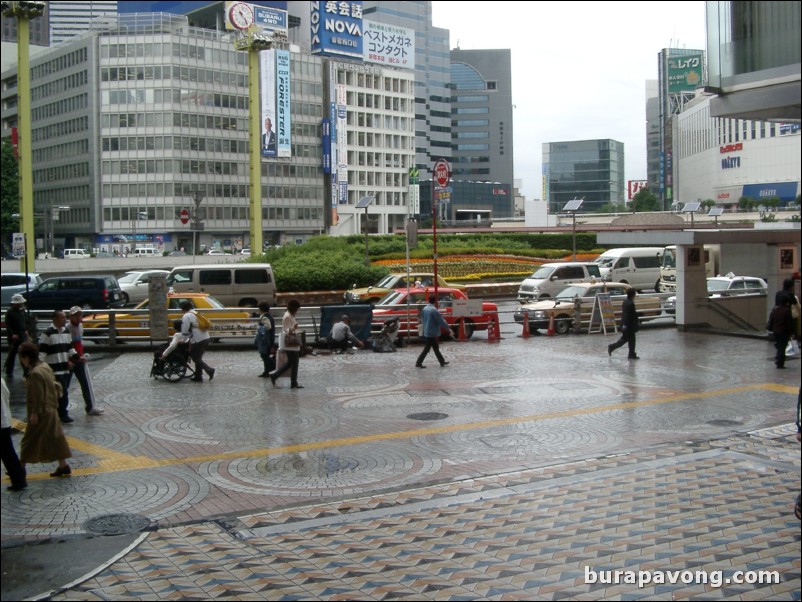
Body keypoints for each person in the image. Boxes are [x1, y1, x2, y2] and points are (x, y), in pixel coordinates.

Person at [17, 342, 73, 478]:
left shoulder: (35, 373)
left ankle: (20, 468)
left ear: (26, 358)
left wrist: (34, 413)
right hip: (51, 407)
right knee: (56, 438)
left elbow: (36, 395)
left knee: (28, 440)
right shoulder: (45, 366)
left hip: (41, 412)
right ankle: (63, 465)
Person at [38, 309, 79, 423]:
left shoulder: (66, 331)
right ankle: (63, 414)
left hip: (64, 368)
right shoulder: (48, 333)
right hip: (54, 370)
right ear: (55, 319)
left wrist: (75, 356)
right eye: (62, 317)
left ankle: (57, 413)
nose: (65, 319)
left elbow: (69, 347)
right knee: (63, 392)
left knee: (61, 392)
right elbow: (42, 352)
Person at [66, 307, 104, 416]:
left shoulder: (81, 326)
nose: (78, 318)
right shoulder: (67, 328)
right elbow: (67, 346)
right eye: (75, 316)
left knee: (85, 383)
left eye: (80, 315)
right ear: (71, 317)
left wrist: (82, 356)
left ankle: (90, 407)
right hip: (71, 360)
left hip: (80, 359)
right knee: (65, 385)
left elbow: (79, 344)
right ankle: (61, 410)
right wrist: (70, 359)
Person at [1, 376, 27, 491]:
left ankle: (19, 479)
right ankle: (19, 478)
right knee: (8, 452)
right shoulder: (1, 380)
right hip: (5, 420)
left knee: (7, 453)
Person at [270, 299, 303, 388]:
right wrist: (294, 327)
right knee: (294, 362)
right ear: (293, 308)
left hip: (290, 344)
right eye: (296, 309)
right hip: (290, 344)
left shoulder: (290, 315)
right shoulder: (288, 316)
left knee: (291, 363)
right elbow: (286, 330)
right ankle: (292, 382)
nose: (297, 311)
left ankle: (276, 376)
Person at [180, 301, 215, 382]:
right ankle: (198, 376)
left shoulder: (186, 316)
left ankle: (209, 370)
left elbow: (185, 329)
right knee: (198, 357)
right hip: (206, 337)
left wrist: (183, 340)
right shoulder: (196, 313)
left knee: (195, 358)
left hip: (198, 339)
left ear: (183, 309)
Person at [415, 295, 450, 368]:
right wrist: (448, 328)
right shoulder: (434, 310)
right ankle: (419, 362)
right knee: (427, 349)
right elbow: (441, 321)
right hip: (432, 331)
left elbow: (422, 319)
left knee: (435, 348)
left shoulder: (425, 308)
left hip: (427, 330)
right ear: (435, 301)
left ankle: (442, 361)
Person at [608, 288, 640, 359]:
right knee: (627, 340)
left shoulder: (625, 301)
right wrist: (625, 325)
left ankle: (631, 354)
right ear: (633, 295)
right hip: (629, 325)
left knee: (630, 340)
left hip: (626, 324)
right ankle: (612, 347)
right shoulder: (631, 304)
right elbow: (628, 315)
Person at [4, 293, 29, 379]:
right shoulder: (10, 312)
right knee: (12, 354)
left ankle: (26, 370)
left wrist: (26, 330)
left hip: (22, 335)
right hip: (14, 336)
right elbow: (8, 325)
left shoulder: (22, 311)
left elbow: (25, 321)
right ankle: (9, 371)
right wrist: (12, 334)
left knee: (23, 353)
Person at [770, 296, 793, 369]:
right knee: (782, 347)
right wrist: (791, 333)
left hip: (776, 331)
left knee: (779, 346)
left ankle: (778, 359)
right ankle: (780, 362)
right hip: (783, 332)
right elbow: (789, 323)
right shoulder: (787, 311)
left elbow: (772, 320)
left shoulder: (776, 310)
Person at [256, 302, 276, 377]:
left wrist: (260, 328)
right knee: (266, 354)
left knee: (264, 355)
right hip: (270, 338)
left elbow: (268, 327)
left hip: (266, 339)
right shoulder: (269, 316)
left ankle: (274, 366)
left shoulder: (264, 317)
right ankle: (266, 371)